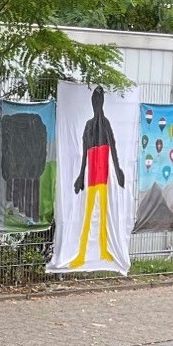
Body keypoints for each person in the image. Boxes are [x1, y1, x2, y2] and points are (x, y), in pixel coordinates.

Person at [69, 86, 125, 268]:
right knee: (87, 216)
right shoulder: (88, 126)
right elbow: (84, 154)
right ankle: (81, 253)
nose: (97, 104)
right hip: (92, 177)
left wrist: (118, 171)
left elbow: (113, 148)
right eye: (95, 101)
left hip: (103, 176)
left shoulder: (106, 124)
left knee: (102, 215)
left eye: (99, 101)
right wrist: (80, 176)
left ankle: (103, 250)